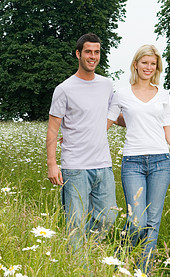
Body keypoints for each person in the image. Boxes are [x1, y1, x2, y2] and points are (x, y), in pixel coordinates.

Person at [107, 44, 170, 274]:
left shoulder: (164, 94)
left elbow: (169, 131)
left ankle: (143, 276)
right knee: (137, 220)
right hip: (132, 163)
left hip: (161, 163)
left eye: (153, 64)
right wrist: (73, 135)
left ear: (157, 67)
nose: (148, 67)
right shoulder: (122, 93)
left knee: (152, 222)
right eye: (144, 62)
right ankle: (119, 263)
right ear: (136, 64)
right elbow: (105, 123)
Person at [47, 33, 118, 251]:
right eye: (88, 52)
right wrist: (52, 164)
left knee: (108, 218)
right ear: (78, 54)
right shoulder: (65, 89)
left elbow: (114, 110)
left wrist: (97, 128)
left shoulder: (107, 85)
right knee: (75, 224)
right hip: (75, 167)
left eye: (96, 52)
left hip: (103, 166)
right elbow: (53, 128)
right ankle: (78, 270)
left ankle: (84, 250)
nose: (92, 56)